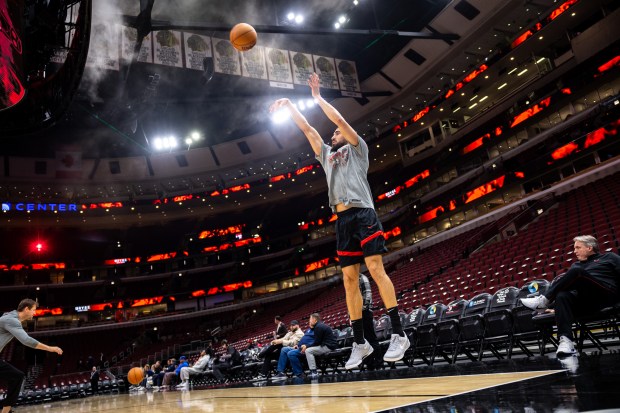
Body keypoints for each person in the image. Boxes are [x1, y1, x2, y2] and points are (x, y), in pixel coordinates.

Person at [270, 73, 409, 369]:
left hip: (363, 213)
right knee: (349, 280)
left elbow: (341, 122)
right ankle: (360, 342)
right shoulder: (326, 156)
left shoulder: (358, 150)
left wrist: (317, 97)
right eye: (332, 135)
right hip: (343, 220)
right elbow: (308, 129)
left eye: (336, 133)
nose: (334, 135)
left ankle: (399, 333)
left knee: (374, 268)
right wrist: (290, 106)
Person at [521, 235, 620, 356]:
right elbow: (573, 292)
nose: (575, 251)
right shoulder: (577, 265)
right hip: (587, 302)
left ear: (590, 247)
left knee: (576, 271)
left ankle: (543, 301)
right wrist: (555, 308)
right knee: (562, 295)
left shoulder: (609, 257)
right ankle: (566, 341)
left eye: (578, 247)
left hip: (607, 295)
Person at [0, 299, 63, 413]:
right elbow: (26, 340)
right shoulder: (12, 320)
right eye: (34, 310)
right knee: (17, 376)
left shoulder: (11, 317)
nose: (35, 313)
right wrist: (50, 348)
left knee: (17, 376)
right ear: (26, 309)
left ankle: (6, 410)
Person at [302, 313, 338, 379]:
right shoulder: (320, 325)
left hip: (328, 347)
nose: (309, 321)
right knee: (310, 349)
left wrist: (306, 346)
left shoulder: (318, 327)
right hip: (330, 345)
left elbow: (317, 342)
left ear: (314, 320)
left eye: (310, 319)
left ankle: (314, 371)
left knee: (308, 351)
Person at [359, 273, 382, 369]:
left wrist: (362, 309)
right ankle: (369, 363)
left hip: (365, 312)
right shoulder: (351, 280)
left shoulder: (362, 278)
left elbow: (367, 295)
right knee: (364, 341)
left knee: (371, 338)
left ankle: (379, 362)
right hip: (357, 314)